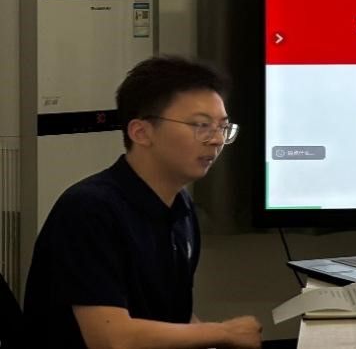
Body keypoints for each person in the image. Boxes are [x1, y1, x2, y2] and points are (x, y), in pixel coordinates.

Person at [23, 56, 262, 349]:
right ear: (141, 132)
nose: (216, 140)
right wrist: (223, 332)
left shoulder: (181, 207)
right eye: (201, 125)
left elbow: (175, 319)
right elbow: (110, 339)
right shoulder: (89, 209)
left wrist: (216, 337)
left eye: (222, 127)